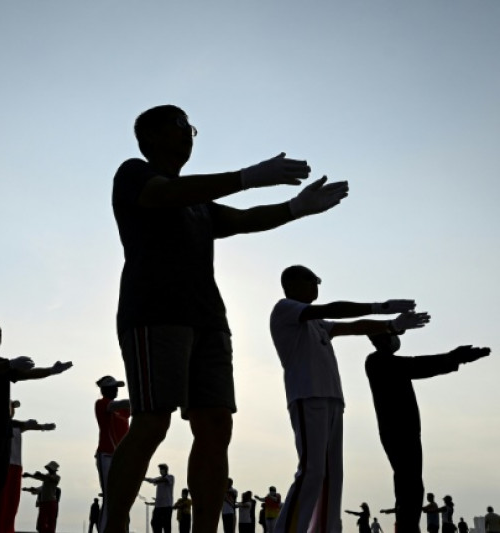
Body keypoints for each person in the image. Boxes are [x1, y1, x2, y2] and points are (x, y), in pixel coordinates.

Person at [108, 104, 348, 533]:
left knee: (216, 424)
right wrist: (247, 177)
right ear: (150, 137)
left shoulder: (200, 205)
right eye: (181, 126)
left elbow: (243, 219)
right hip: (155, 314)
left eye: (191, 128)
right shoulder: (134, 175)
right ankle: (115, 525)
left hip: (209, 320)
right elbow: (165, 195)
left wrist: (295, 207)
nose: (189, 135)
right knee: (152, 421)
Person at [270, 265, 428, 533]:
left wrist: (391, 326)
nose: (316, 285)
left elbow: (352, 327)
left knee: (332, 477)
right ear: (293, 282)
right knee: (311, 471)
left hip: (332, 400)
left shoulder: (317, 324)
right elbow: (332, 309)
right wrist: (381, 307)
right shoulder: (285, 309)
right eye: (312, 280)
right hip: (308, 397)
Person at [365, 333, 489, 533]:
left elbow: (418, 365)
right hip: (400, 431)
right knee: (410, 485)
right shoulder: (378, 361)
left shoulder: (384, 362)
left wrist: (455, 358)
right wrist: (455, 357)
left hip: (405, 431)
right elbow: (419, 365)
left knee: (410, 484)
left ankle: (408, 527)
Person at [0, 319, 72, 533]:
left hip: (2, 434)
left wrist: (51, 370)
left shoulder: (5, 364)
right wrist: (9, 364)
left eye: (0, 331)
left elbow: (27, 374)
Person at [0, 400, 56, 533]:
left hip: (16, 467)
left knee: (13, 503)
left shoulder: (16, 425)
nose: (13, 410)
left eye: (13, 408)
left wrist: (43, 427)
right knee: (2, 503)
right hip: (3, 466)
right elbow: (24, 424)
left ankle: (8, 529)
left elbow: (27, 425)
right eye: (10, 407)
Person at [94, 375, 130, 533]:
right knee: (109, 499)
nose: (116, 390)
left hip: (122, 457)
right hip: (106, 455)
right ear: (105, 390)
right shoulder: (102, 404)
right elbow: (118, 405)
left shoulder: (122, 409)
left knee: (122, 498)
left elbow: (131, 409)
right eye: (114, 387)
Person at [23, 461, 61, 533]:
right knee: (41, 523)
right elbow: (40, 479)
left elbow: (46, 478)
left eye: (49, 468)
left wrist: (33, 475)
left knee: (50, 523)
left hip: (51, 503)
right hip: (44, 503)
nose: (48, 470)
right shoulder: (46, 479)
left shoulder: (57, 477)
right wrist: (30, 475)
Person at [144, 464, 175, 533]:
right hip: (158, 506)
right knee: (155, 523)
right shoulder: (158, 478)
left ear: (165, 470)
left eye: (162, 469)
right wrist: (144, 478)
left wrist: (155, 481)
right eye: (160, 469)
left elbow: (163, 480)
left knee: (166, 525)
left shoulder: (170, 477)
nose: (161, 471)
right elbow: (151, 480)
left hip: (167, 506)